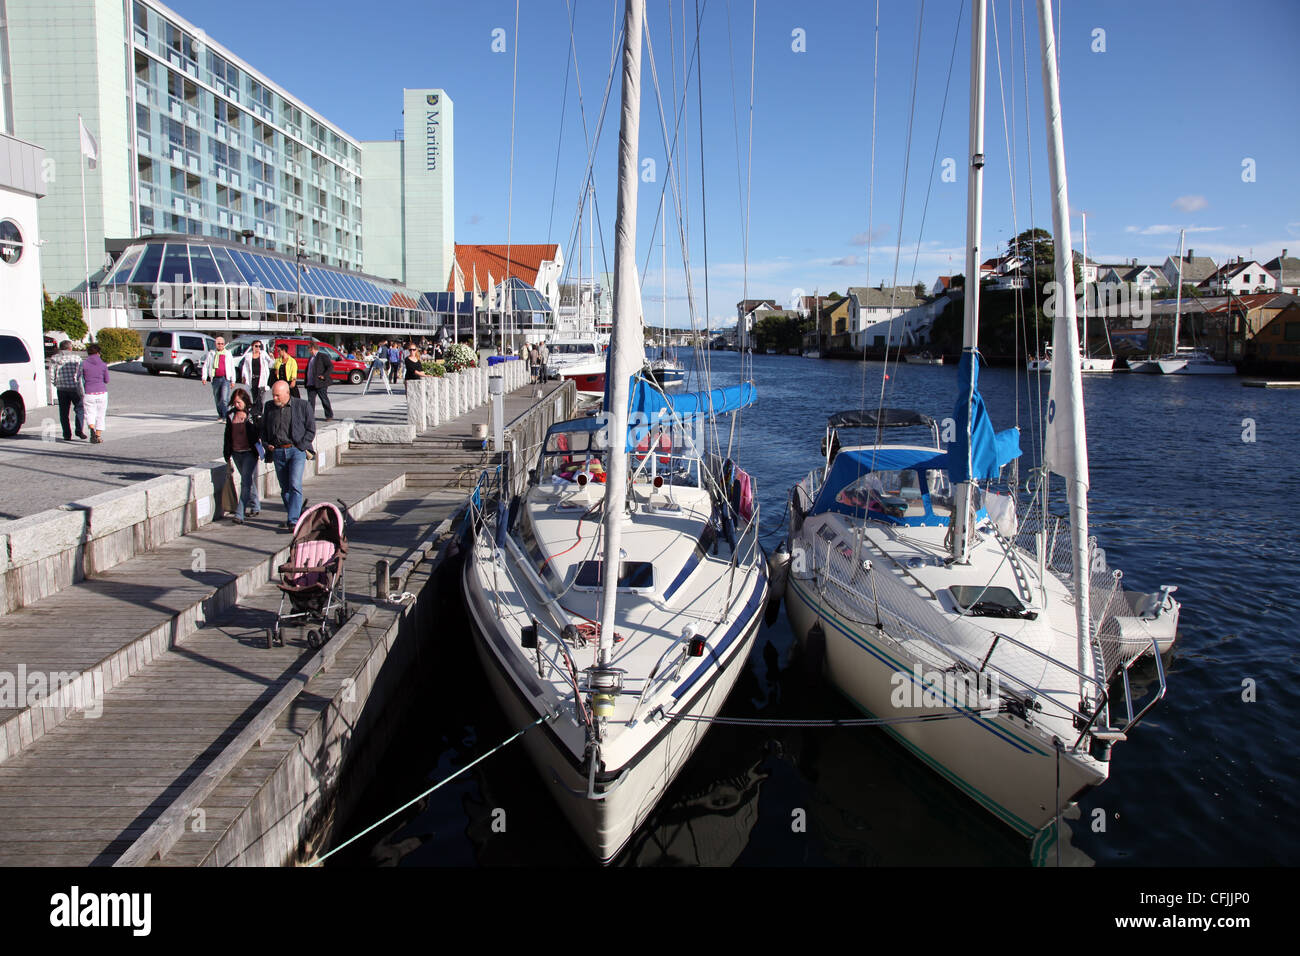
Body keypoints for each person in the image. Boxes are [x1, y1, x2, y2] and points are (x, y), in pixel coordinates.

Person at [261, 379, 315, 531]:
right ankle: (296, 514)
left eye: (277, 395)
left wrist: (302, 446)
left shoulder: (302, 406)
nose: (275, 398)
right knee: (284, 488)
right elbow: (263, 429)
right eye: (273, 395)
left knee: (295, 484)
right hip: (278, 450)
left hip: (296, 450)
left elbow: (311, 429)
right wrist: (267, 445)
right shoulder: (269, 407)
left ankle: (293, 520)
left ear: (287, 393)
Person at [222, 387, 262, 524]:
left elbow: (259, 432)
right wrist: (226, 454)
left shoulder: (252, 414)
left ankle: (240, 513)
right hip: (236, 452)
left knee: (245, 482)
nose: (236, 405)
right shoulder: (231, 415)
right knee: (248, 480)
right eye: (235, 402)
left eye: (239, 402)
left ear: (245, 401)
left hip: (249, 452)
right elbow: (227, 436)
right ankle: (256, 505)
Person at [48, 340, 87, 442]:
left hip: (61, 388)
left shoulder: (54, 358)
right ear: (70, 348)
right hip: (75, 387)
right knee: (79, 408)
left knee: (64, 412)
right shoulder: (76, 358)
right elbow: (81, 373)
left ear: (60, 348)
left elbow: (52, 374)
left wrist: (56, 384)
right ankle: (79, 430)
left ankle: (66, 434)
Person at [81, 343, 110, 444]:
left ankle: (92, 429)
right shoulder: (103, 364)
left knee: (90, 413)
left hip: (89, 392)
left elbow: (78, 378)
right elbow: (107, 380)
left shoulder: (83, 364)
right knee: (100, 415)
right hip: (102, 392)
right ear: (98, 353)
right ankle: (98, 435)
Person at [200, 336, 235, 419]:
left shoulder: (228, 353)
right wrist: (204, 377)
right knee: (217, 399)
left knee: (224, 398)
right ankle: (220, 414)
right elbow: (206, 366)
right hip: (215, 378)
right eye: (218, 344)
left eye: (222, 344)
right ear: (215, 344)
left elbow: (231, 367)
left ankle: (225, 416)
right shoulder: (212, 353)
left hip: (225, 379)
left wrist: (233, 380)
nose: (220, 345)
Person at [305, 341, 335, 420]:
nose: (309, 351)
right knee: (310, 401)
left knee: (324, 399)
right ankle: (310, 416)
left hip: (320, 382)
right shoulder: (311, 358)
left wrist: (324, 376)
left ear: (313, 348)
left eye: (309, 349)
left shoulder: (322, 356)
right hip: (311, 383)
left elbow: (330, 366)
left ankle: (329, 415)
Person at [237, 339, 271, 408]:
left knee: (261, 398)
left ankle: (260, 413)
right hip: (253, 379)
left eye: (259, 346)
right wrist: (244, 377)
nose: (258, 348)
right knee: (255, 398)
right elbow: (245, 368)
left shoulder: (263, 354)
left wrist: (271, 358)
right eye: (256, 346)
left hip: (262, 379)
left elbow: (271, 363)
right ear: (252, 346)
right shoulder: (248, 356)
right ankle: (255, 413)